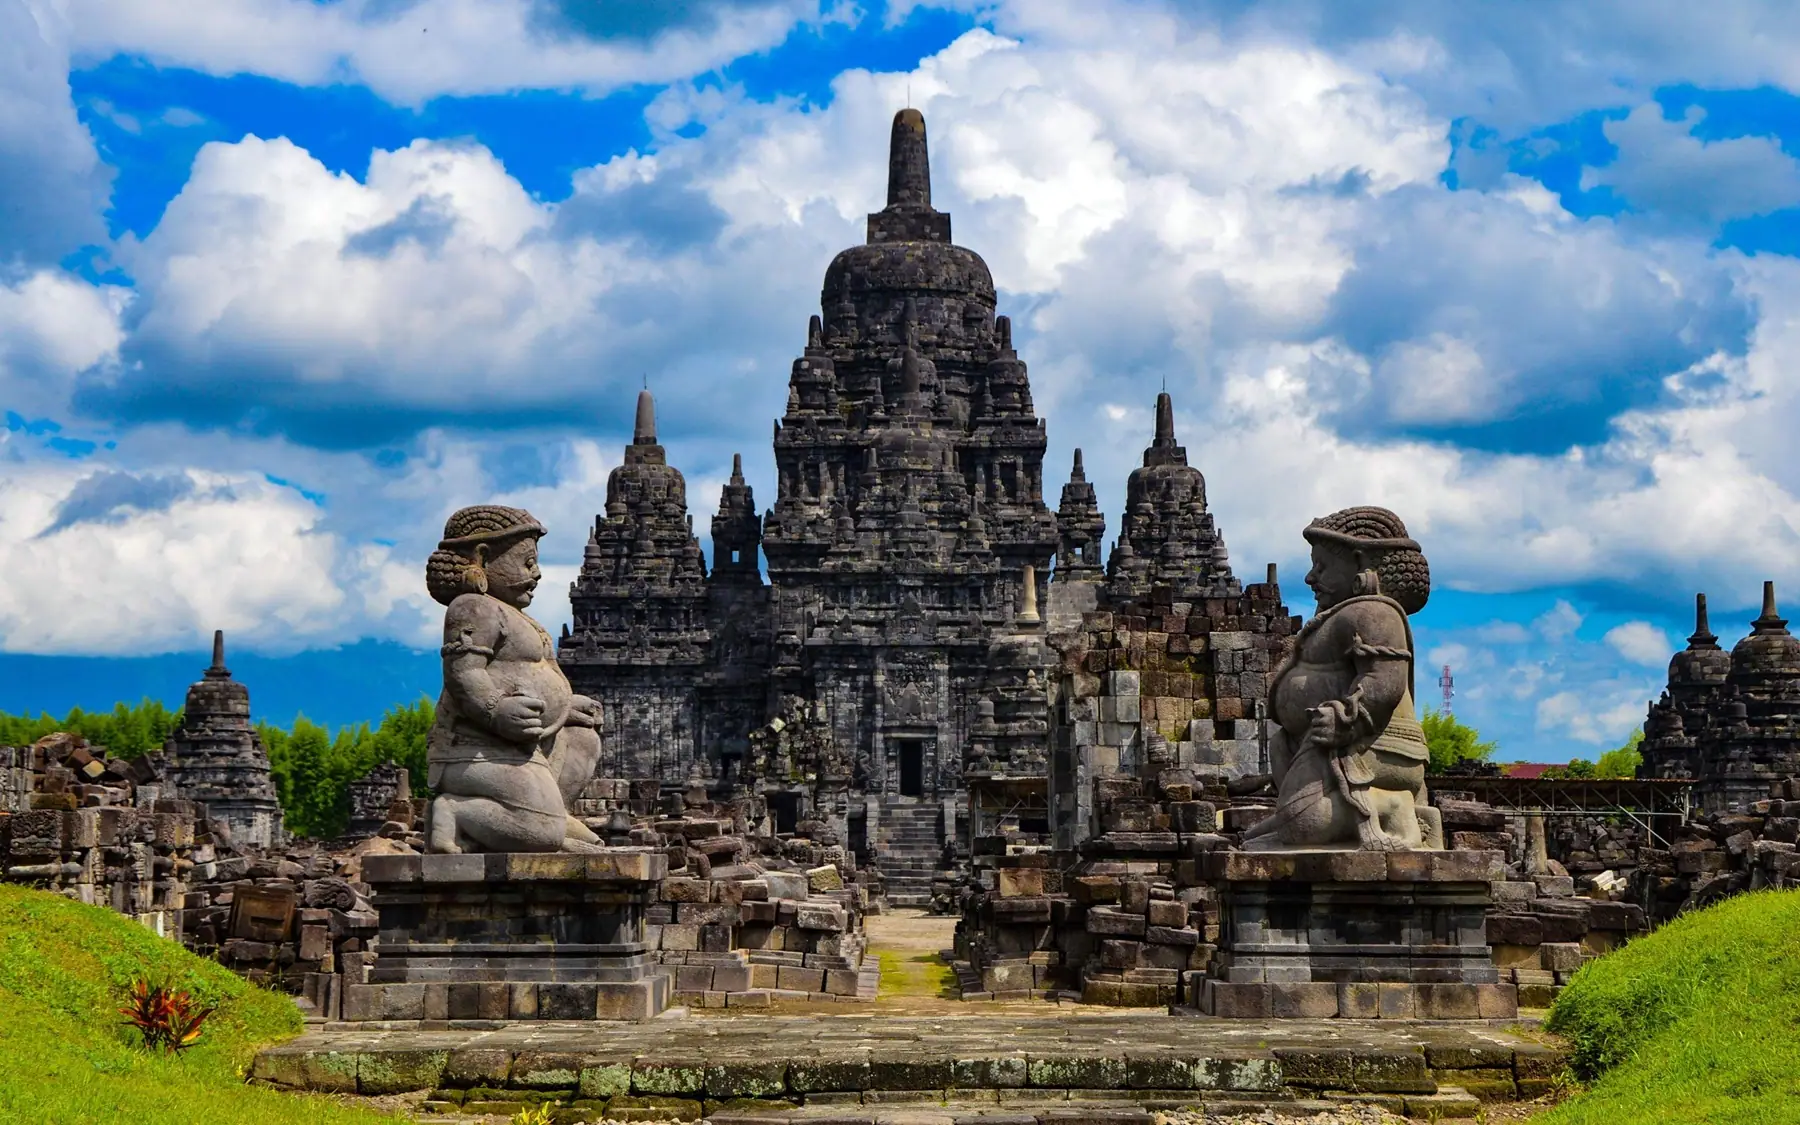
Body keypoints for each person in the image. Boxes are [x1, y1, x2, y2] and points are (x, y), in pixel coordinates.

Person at [1242, 506, 1443, 852]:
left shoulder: (1376, 612)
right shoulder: (1339, 615)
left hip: (1372, 745)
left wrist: (1345, 718)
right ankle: (1303, 816)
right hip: (1321, 744)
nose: (1309, 577)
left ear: (1357, 562)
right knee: (1268, 819)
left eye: (1321, 566)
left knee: (1301, 824)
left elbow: (1385, 680)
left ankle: (1394, 809)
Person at [422, 505, 604, 853]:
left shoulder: (521, 618)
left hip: (526, 748)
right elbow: (463, 675)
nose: (536, 574)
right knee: (544, 834)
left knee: (583, 738)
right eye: (527, 563)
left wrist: (567, 706)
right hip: (477, 750)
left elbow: (540, 673)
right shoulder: (472, 607)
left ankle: (548, 816)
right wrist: (496, 709)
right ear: (483, 558)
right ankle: (457, 813)